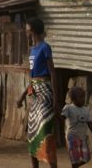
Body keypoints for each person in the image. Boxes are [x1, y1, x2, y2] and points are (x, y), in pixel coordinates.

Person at [17, 17, 59, 168]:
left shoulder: (45, 47)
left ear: (32, 30)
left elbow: (52, 73)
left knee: (45, 133)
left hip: (45, 93)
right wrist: (22, 96)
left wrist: (55, 99)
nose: (26, 31)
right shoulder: (32, 50)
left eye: (27, 28)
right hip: (35, 94)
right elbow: (32, 78)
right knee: (32, 133)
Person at [61, 86, 92, 168]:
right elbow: (61, 118)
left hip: (82, 137)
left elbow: (90, 123)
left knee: (87, 157)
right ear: (73, 99)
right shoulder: (68, 108)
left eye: (84, 96)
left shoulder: (86, 110)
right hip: (71, 137)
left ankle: (75, 166)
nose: (83, 99)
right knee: (75, 158)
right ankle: (75, 165)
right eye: (81, 97)